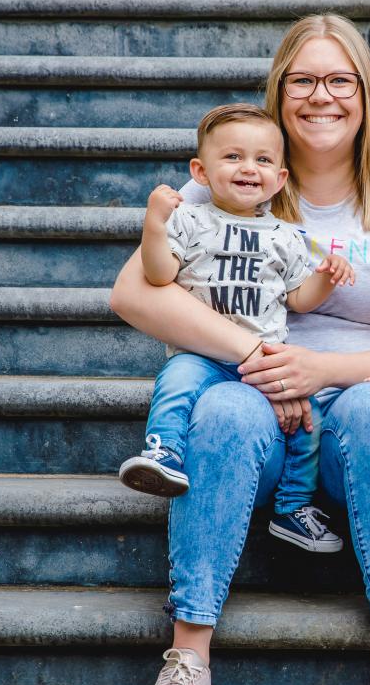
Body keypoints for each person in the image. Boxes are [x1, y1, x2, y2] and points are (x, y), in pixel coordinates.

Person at [111, 14, 370, 685]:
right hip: (256, 403)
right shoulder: (237, 173)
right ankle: (188, 658)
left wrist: (319, 368)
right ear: (279, 89)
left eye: (338, 80)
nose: (320, 96)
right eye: (302, 80)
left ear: (366, 93)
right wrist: (262, 362)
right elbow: (134, 294)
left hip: (353, 413)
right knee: (227, 411)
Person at [118, 103, 356, 560]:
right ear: (200, 171)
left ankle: (292, 507)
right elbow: (159, 273)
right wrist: (154, 222)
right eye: (233, 157)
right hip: (202, 352)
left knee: (308, 425)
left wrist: (327, 275)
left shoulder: (288, 236)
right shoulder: (189, 219)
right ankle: (162, 452)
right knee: (177, 381)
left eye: (263, 160)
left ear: (281, 178)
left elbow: (301, 298)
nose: (249, 168)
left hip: (266, 363)